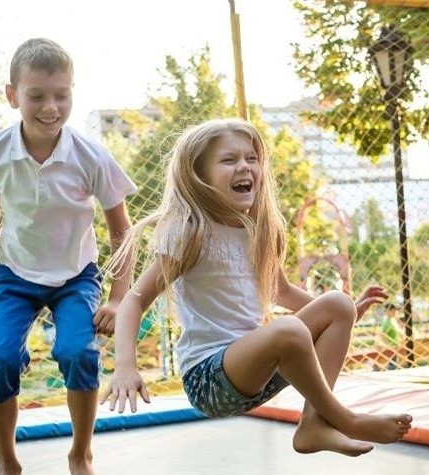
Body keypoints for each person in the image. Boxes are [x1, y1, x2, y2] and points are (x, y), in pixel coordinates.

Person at [100, 118, 412, 457]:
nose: (244, 167)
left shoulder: (260, 231)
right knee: (288, 330)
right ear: (200, 175)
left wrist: (350, 311)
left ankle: (313, 425)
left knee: (337, 303)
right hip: (209, 378)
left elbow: (284, 293)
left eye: (251, 158)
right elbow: (134, 301)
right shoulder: (188, 231)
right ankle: (345, 419)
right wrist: (125, 365)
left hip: (260, 370)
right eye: (229, 160)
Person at [0, 38, 137, 475]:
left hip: (76, 274)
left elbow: (123, 232)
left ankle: (81, 455)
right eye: (37, 96)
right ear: (12, 95)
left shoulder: (91, 156)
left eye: (62, 94)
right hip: (15, 274)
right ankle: (8, 468)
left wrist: (117, 297)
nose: (51, 107)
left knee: (78, 352)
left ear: (72, 93)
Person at [380, 302, 403, 370]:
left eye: (395, 310)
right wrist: (388, 345)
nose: (395, 312)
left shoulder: (392, 319)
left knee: (396, 365)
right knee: (392, 367)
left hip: (396, 347)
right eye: (393, 310)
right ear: (388, 311)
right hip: (392, 348)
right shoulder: (386, 321)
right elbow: (382, 335)